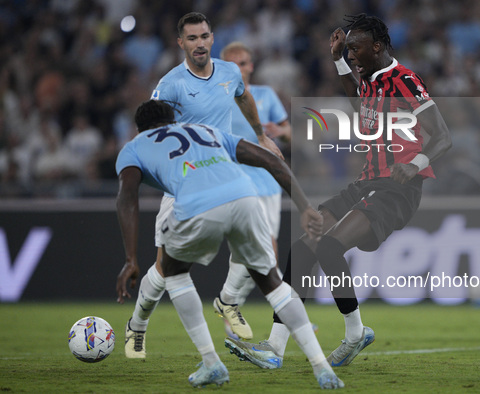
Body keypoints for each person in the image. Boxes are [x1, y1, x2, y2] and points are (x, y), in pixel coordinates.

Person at [224, 13, 452, 369]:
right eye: (349, 50)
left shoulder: (404, 80)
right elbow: (358, 105)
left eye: (356, 49)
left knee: (329, 247)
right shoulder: (372, 82)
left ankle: (354, 332)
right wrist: (337, 61)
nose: (353, 55)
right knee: (302, 250)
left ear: (377, 46)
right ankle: (275, 348)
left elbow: (442, 135)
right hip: (365, 183)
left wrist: (416, 163)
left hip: (396, 188)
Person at [115, 99, 344, 389]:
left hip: (197, 203)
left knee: (172, 271)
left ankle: (211, 363)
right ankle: (322, 369)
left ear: (139, 129)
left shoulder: (134, 147)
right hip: (245, 197)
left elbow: (127, 198)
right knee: (272, 282)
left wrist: (130, 258)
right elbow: (271, 161)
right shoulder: (205, 130)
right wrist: (306, 207)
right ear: (173, 121)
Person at [117, 12, 282, 358]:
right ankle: (138, 324)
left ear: (212, 38)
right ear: (181, 44)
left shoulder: (229, 72)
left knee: (260, 247)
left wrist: (261, 135)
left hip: (225, 175)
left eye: (204, 36)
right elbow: (150, 130)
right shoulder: (171, 84)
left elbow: (243, 97)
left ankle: (229, 302)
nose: (199, 44)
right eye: (191, 38)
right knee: (165, 270)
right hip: (185, 186)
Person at [213, 41, 292, 337]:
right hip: (235, 184)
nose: (241, 69)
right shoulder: (216, 99)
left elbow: (289, 134)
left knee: (252, 255)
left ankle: (230, 306)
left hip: (269, 184)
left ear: (252, 65)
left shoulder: (265, 95)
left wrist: (280, 131)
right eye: (234, 65)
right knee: (265, 250)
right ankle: (289, 315)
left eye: (244, 63)